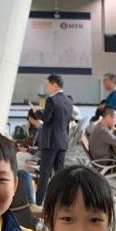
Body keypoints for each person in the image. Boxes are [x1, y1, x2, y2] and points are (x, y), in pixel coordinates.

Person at [36, 74, 75, 205]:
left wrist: (37, 112)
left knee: (44, 173)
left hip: (50, 141)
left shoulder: (51, 100)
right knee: (60, 173)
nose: (47, 87)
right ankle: (63, 201)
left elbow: (46, 119)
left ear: (54, 85)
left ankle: (39, 202)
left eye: (48, 84)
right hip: (63, 141)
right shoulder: (69, 101)